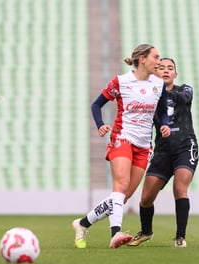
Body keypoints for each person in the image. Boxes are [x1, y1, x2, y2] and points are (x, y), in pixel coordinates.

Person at [72, 44, 171, 249]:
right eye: (156, 57)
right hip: (122, 138)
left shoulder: (158, 85)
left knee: (122, 198)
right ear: (142, 59)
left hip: (144, 146)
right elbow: (96, 104)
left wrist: (164, 126)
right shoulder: (121, 81)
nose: (159, 61)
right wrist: (100, 125)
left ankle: (82, 224)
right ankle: (115, 233)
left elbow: (162, 113)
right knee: (121, 184)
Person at [128, 57, 198, 248]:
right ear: (155, 73)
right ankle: (146, 232)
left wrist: (161, 92)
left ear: (175, 74)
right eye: (161, 67)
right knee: (146, 199)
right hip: (162, 151)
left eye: (170, 68)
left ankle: (180, 237)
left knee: (179, 188)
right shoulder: (149, 97)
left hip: (185, 146)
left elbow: (185, 98)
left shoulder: (184, 89)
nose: (166, 70)